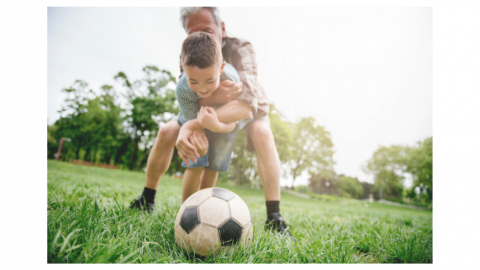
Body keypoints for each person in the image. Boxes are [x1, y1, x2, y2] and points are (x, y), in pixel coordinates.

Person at [129, 7, 294, 240]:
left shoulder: (240, 48)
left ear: (222, 28)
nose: (200, 37)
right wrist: (208, 107)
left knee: (262, 134)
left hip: (248, 106)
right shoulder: (189, 53)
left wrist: (200, 123)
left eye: (207, 30)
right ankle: (147, 199)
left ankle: (274, 216)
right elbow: (190, 96)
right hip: (203, 108)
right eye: (191, 33)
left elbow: (246, 100)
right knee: (167, 131)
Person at [176, 31, 252, 203]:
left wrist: (216, 125)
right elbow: (192, 123)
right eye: (193, 81)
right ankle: (186, 211)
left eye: (210, 81)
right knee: (194, 161)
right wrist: (197, 133)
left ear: (221, 69)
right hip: (196, 118)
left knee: (213, 167)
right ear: (183, 68)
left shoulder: (232, 81)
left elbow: (238, 118)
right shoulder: (182, 89)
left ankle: (205, 208)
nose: (202, 89)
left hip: (225, 125)